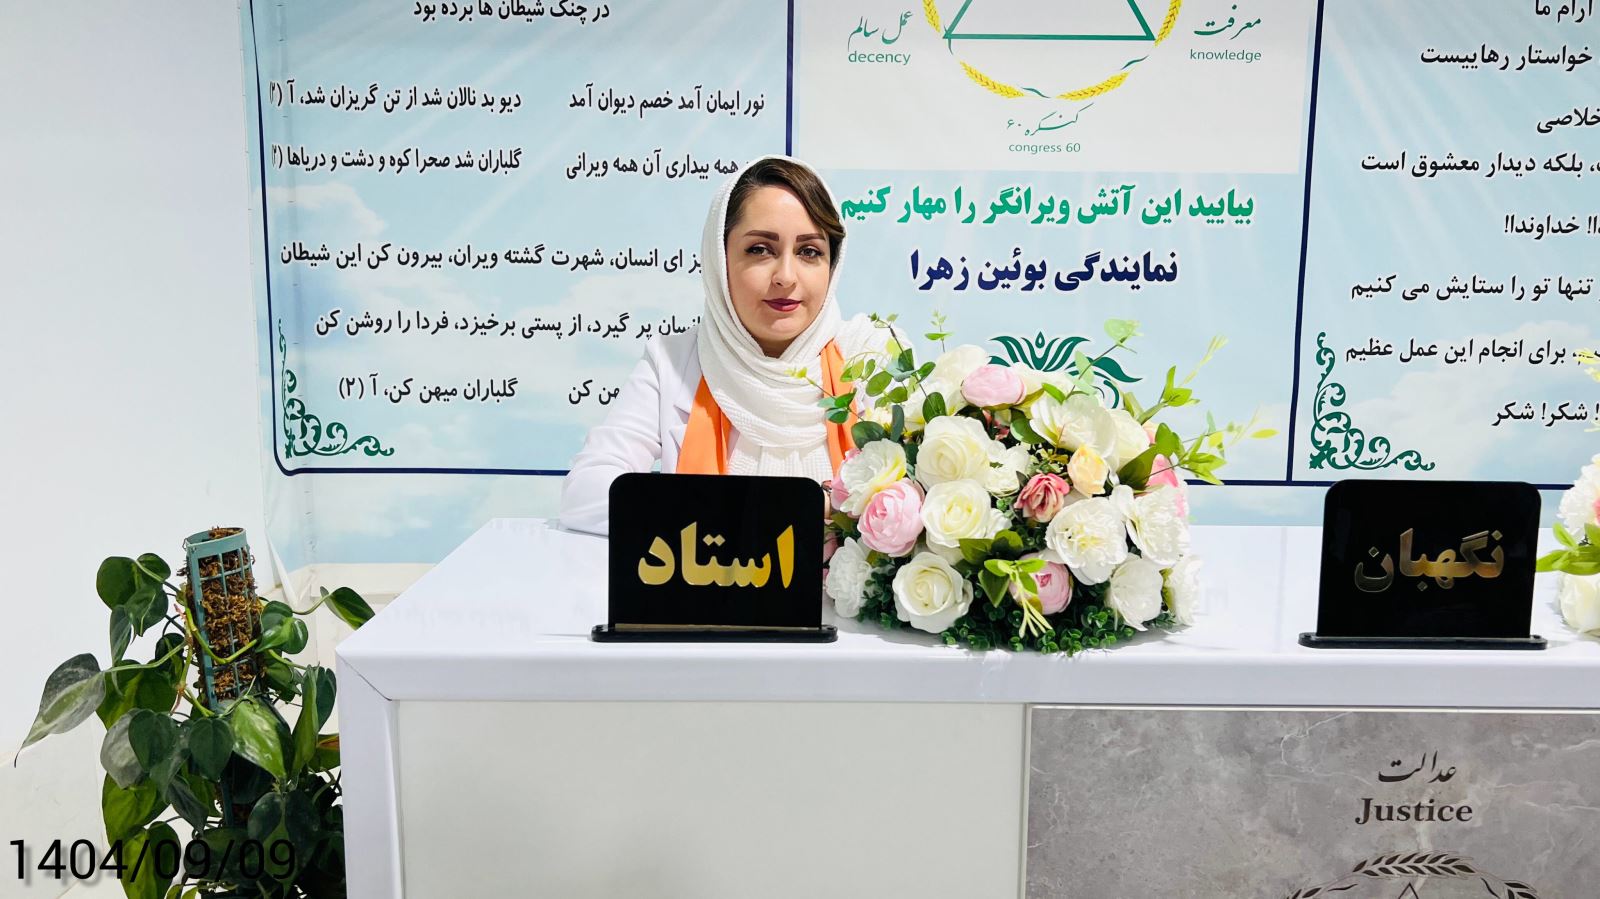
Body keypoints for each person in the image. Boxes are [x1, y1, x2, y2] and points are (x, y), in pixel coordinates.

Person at [558, 155, 892, 535]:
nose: (785, 277)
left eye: (809, 252)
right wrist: (788, 509)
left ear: (832, 265)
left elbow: (919, 497)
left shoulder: (868, 354)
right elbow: (586, 493)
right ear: (720, 258)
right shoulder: (674, 362)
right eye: (760, 249)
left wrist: (712, 510)